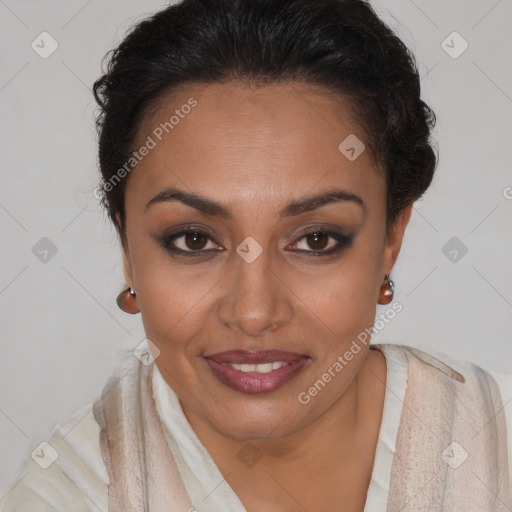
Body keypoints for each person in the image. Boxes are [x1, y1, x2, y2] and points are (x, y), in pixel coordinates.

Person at [2, 0, 511, 510]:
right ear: (128, 249)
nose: (253, 313)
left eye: (316, 240)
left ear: (390, 238)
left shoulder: (497, 444)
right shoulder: (68, 492)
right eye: (193, 240)